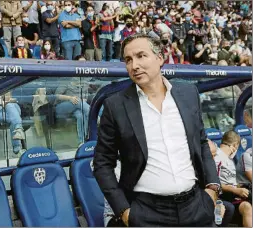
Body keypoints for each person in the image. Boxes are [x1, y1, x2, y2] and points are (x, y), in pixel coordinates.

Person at [93, 33, 220, 227]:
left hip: (196, 207)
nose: (134, 65)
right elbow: (102, 163)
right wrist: (124, 211)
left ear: (160, 58)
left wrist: (212, 188)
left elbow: (201, 141)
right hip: (147, 212)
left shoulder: (188, 93)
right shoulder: (115, 105)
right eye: (128, 59)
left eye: (141, 56)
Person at [214, 131, 252, 227]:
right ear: (235, 145)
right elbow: (214, 183)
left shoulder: (230, 160)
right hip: (220, 197)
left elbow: (230, 182)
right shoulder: (217, 157)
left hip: (232, 195)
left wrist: (241, 187)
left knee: (247, 206)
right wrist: (235, 190)